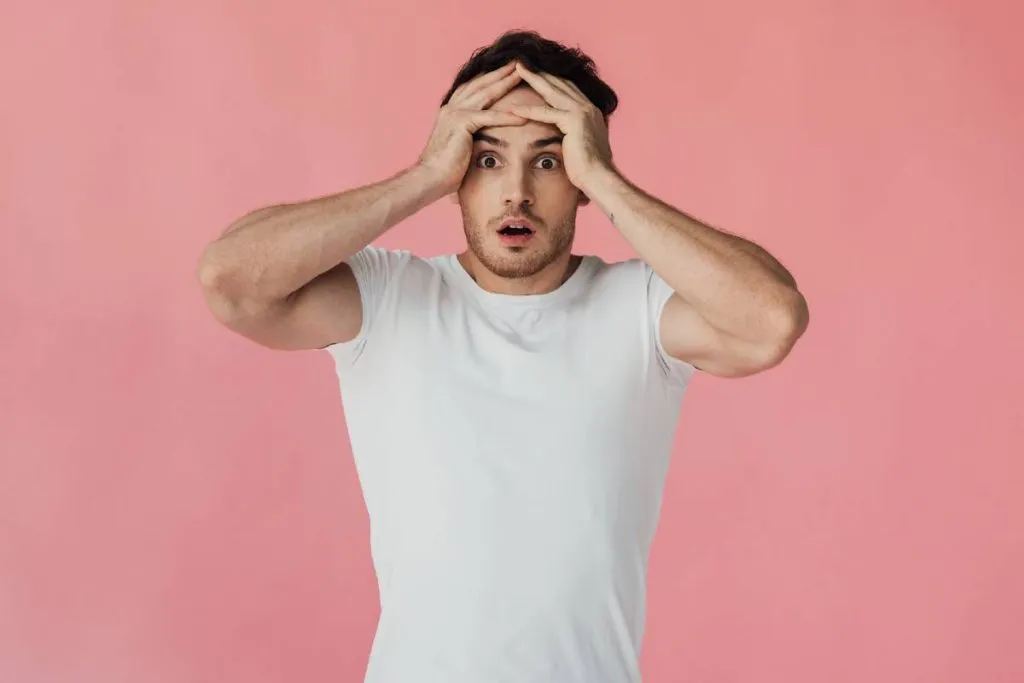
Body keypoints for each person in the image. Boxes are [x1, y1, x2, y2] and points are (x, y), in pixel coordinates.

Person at [198, 29, 808, 683]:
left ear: (577, 176)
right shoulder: (389, 299)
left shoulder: (640, 308)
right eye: (488, 160)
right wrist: (424, 174)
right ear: (459, 171)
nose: (516, 191)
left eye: (547, 162)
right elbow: (230, 280)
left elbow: (771, 320)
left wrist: (606, 180)